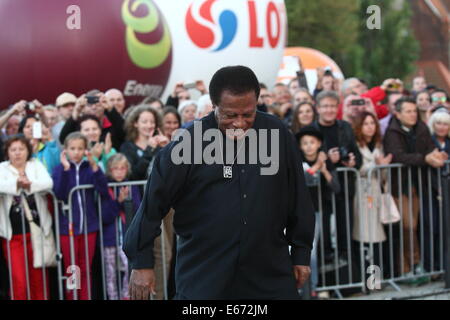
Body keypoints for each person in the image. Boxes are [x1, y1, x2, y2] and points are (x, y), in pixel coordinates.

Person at [124, 65, 315, 300]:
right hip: (205, 273)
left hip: (268, 270)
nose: (240, 123)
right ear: (213, 106)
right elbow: (153, 204)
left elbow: (298, 198)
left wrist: (301, 253)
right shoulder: (188, 144)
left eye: (248, 114)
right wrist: (141, 261)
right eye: (230, 115)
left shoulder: (277, 135)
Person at [384, 97, 448, 277]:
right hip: (400, 187)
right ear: (398, 114)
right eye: (408, 111)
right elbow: (398, 156)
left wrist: (435, 156)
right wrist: (425, 159)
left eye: (414, 111)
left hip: (423, 185)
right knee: (408, 226)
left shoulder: (421, 128)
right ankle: (409, 267)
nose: (413, 115)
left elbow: (429, 149)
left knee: (424, 226)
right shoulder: (392, 132)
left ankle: (426, 266)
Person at [52, 132, 111, 300]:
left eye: (80, 148)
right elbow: (60, 193)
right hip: (67, 227)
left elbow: (103, 190)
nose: (76, 152)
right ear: (65, 150)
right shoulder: (60, 169)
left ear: (86, 150)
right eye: (72, 148)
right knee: (72, 268)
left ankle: (85, 297)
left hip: (89, 226)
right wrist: (65, 169)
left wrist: (94, 165)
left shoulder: (90, 168)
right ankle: (73, 297)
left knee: (85, 267)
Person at [311, 91, 362, 268]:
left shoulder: (345, 127)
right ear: (317, 108)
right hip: (321, 190)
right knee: (323, 234)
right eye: (325, 106)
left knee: (345, 231)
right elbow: (309, 159)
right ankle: (327, 278)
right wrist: (329, 162)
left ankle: (347, 272)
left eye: (333, 106)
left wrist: (353, 162)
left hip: (345, 187)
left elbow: (357, 154)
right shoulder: (312, 130)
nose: (329, 110)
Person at [0, 136, 54, 300]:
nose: (17, 153)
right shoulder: (2, 168)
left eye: (21, 149)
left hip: (37, 232)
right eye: (13, 149)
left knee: (38, 279)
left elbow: (48, 183)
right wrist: (16, 184)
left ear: (27, 151)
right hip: (13, 236)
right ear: (7, 152)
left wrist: (29, 184)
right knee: (19, 281)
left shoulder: (35, 165)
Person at [296, 126, 340, 298]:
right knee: (303, 251)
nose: (308, 146)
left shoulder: (325, 162)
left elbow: (336, 187)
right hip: (299, 212)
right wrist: (317, 165)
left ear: (319, 144)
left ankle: (312, 286)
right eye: (305, 143)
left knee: (312, 250)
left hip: (318, 211)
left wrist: (324, 169)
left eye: (312, 142)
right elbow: (307, 178)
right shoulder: (297, 160)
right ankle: (302, 287)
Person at [102, 154, 141, 300]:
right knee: (110, 273)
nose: (119, 172)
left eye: (122, 168)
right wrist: (118, 201)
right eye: (115, 168)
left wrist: (127, 201)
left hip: (126, 238)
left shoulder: (131, 187)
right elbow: (105, 216)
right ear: (110, 170)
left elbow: (137, 210)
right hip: (109, 239)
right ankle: (112, 297)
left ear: (127, 169)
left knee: (128, 268)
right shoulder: (106, 188)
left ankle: (126, 296)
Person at [59, 90, 126, 151]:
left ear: (104, 106)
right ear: (83, 108)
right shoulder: (77, 124)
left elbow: (125, 134)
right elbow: (63, 139)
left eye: (98, 104)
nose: (94, 107)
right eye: (89, 105)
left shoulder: (113, 122)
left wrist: (111, 109)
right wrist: (76, 112)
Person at [120, 105, 169, 181]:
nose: (149, 125)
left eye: (152, 122)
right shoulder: (127, 147)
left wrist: (168, 147)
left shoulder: (161, 145)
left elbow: (170, 171)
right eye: (144, 122)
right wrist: (149, 150)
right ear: (135, 123)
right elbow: (134, 175)